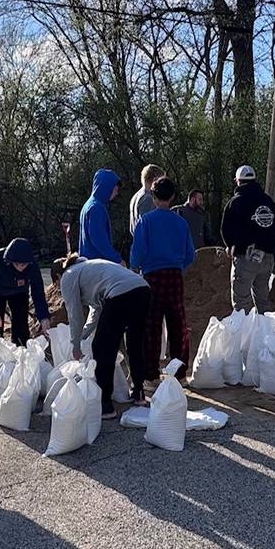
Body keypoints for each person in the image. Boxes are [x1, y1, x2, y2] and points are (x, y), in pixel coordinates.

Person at [52, 254, 150, 414]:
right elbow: (96, 311)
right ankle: (139, 393)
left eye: (57, 285)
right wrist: (82, 336)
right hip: (143, 290)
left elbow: (75, 315)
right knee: (134, 343)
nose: (59, 289)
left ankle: (105, 404)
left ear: (58, 276)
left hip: (120, 295)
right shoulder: (90, 267)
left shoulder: (68, 276)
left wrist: (75, 345)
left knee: (101, 348)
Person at [129, 176, 196, 382]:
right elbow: (190, 255)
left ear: (153, 196)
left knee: (151, 326)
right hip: (174, 276)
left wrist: (135, 269)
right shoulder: (181, 222)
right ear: (173, 196)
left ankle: (151, 374)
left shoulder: (145, 221)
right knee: (178, 325)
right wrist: (177, 266)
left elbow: (137, 253)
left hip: (151, 277)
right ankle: (179, 374)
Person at [220, 165, 275, 312]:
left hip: (246, 257)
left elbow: (225, 229)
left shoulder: (235, 202)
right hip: (268, 257)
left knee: (241, 303)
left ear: (238, 181)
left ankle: (246, 334)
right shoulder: (268, 201)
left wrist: (230, 246)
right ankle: (264, 332)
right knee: (263, 301)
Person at [0, 238, 49, 345]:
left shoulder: (32, 265)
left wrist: (43, 317)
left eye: (24, 264)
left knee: (21, 327)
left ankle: (21, 353)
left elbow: (38, 292)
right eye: (17, 264)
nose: (21, 267)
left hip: (19, 293)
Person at [78, 168, 123, 262]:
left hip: (88, 262)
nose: (116, 193)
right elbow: (99, 240)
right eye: (115, 189)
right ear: (106, 187)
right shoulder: (96, 207)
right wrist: (116, 258)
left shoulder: (89, 204)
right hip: (97, 265)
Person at [129, 163, 165, 232]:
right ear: (155, 179)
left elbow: (132, 228)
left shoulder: (135, 197)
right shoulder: (149, 198)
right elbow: (148, 227)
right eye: (161, 180)